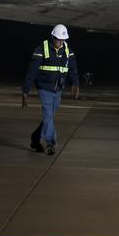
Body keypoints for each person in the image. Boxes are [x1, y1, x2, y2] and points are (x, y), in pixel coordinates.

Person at [22, 23, 79, 155]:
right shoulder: (42, 49)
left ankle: (35, 139)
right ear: (52, 37)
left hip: (58, 89)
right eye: (58, 39)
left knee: (49, 118)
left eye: (62, 40)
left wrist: (75, 83)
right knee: (48, 115)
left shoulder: (67, 50)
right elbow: (32, 71)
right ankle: (50, 143)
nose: (60, 42)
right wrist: (26, 90)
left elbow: (73, 68)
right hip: (44, 88)